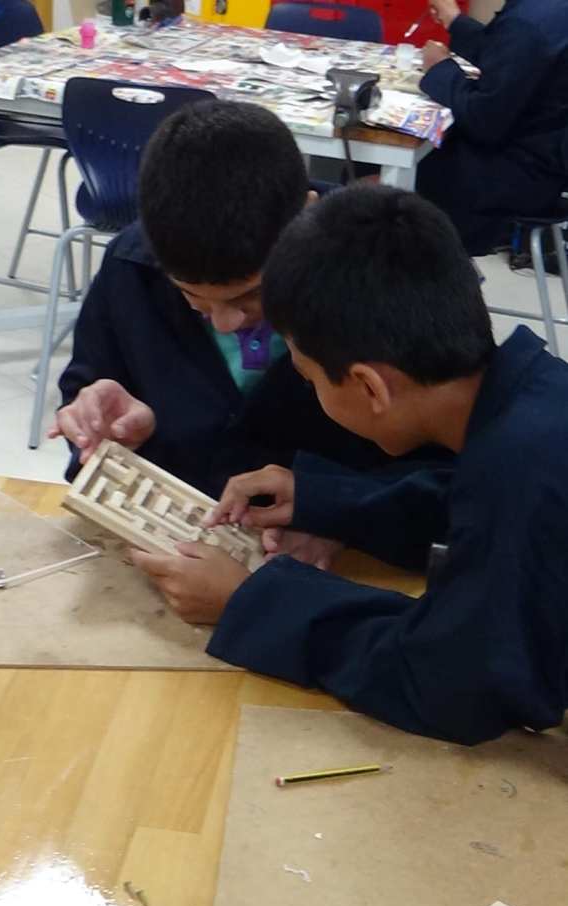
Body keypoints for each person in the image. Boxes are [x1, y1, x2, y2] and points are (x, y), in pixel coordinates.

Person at [132, 184, 568, 746]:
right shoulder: (533, 402)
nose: (311, 391)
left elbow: (449, 684)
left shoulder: (521, 472)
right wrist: (323, 500)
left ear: (369, 386)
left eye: (309, 377)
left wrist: (250, 601)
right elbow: (464, 507)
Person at [50, 100, 398, 507]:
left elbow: (438, 469)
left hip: (336, 536)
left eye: (250, 294)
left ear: (307, 216)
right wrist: (113, 434)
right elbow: (87, 393)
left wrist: (329, 506)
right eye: (191, 296)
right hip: (183, 520)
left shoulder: (385, 275)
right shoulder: (133, 265)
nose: (224, 322)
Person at [416, 0, 568, 255]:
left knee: (393, 169)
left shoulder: (527, 23)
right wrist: (455, 21)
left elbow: (482, 120)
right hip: (545, 168)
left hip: (509, 176)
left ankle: (412, 269)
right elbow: (508, 56)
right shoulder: (549, 10)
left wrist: (440, 70)